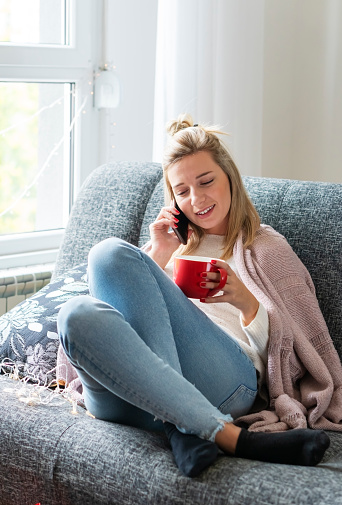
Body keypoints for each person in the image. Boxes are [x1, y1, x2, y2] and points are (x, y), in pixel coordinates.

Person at [57, 114, 342, 478]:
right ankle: (197, 428)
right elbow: (115, 321)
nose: (198, 199)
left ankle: (187, 424)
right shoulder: (169, 247)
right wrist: (158, 253)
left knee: (109, 252)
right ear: (173, 199)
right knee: (77, 312)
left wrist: (246, 303)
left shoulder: (266, 247)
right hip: (135, 392)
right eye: (183, 191)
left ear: (230, 178)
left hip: (224, 380)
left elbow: (302, 352)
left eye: (206, 181)